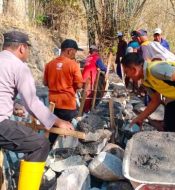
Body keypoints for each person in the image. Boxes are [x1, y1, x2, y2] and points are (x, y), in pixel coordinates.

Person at [0, 31, 73, 189]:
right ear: (22, 48)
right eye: (28, 49)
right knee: (40, 145)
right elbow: (32, 102)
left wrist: (12, 106)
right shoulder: (19, 66)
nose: (28, 53)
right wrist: (57, 121)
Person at [44, 39, 83, 145]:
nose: (75, 55)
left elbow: (45, 83)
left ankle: (50, 152)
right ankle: (62, 154)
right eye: (75, 52)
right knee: (67, 131)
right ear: (69, 51)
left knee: (53, 130)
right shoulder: (73, 65)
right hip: (67, 104)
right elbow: (79, 85)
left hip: (53, 104)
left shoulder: (49, 64)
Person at [82, 45, 107, 112]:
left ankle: (83, 109)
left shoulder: (88, 58)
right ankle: (86, 111)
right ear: (96, 51)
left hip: (84, 77)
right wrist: (106, 69)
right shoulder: (96, 57)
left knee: (85, 93)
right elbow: (102, 67)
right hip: (90, 77)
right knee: (89, 93)